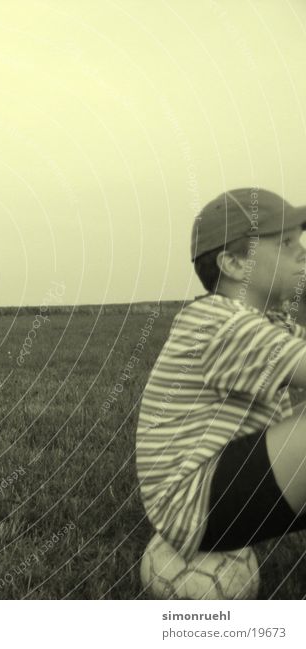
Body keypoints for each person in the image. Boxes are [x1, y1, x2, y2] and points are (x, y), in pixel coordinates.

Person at [136, 187, 306, 561]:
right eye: (285, 243)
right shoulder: (219, 323)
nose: (302, 252)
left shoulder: (269, 323)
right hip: (193, 501)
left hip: (217, 486)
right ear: (232, 265)